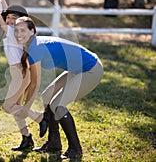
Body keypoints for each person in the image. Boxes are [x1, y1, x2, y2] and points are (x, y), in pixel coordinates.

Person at [13, 16, 104, 159]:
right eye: (16, 30)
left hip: (91, 69)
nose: (18, 34)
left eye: (22, 30)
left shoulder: (35, 48)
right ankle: (54, 143)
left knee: (58, 105)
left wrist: (25, 108)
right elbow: (29, 80)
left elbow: (35, 83)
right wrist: (20, 102)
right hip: (77, 69)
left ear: (32, 31)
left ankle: (75, 148)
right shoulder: (31, 46)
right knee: (47, 96)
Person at [0, 0, 49, 151]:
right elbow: (3, 10)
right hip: (19, 72)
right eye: (9, 18)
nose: (10, 20)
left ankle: (41, 118)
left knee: (8, 106)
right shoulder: (14, 31)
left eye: (14, 18)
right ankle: (26, 138)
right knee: (15, 107)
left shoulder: (12, 31)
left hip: (20, 72)